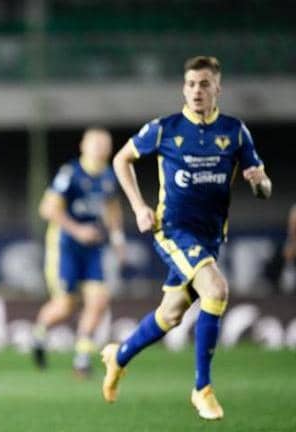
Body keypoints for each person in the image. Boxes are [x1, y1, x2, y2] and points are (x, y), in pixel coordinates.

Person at [102, 56, 271, 420]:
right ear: (184, 88)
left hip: (210, 239)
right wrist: (139, 207)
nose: (197, 90)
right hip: (172, 230)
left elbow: (265, 189)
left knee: (172, 314)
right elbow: (121, 159)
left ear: (217, 88)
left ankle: (118, 356)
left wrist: (260, 183)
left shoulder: (235, 131)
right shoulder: (165, 129)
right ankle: (202, 389)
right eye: (191, 84)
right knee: (216, 290)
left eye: (204, 84)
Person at [32, 128, 124, 377]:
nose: (100, 148)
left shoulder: (108, 176)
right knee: (65, 306)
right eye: (95, 143)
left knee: (99, 300)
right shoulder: (71, 173)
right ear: (83, 146)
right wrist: (77, 230)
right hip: (65, 248)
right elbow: (47, 208)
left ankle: (82, 358)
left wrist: (117, 238)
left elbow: (112, 207)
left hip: (92, 248)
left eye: (105, 143)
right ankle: (39, 333)